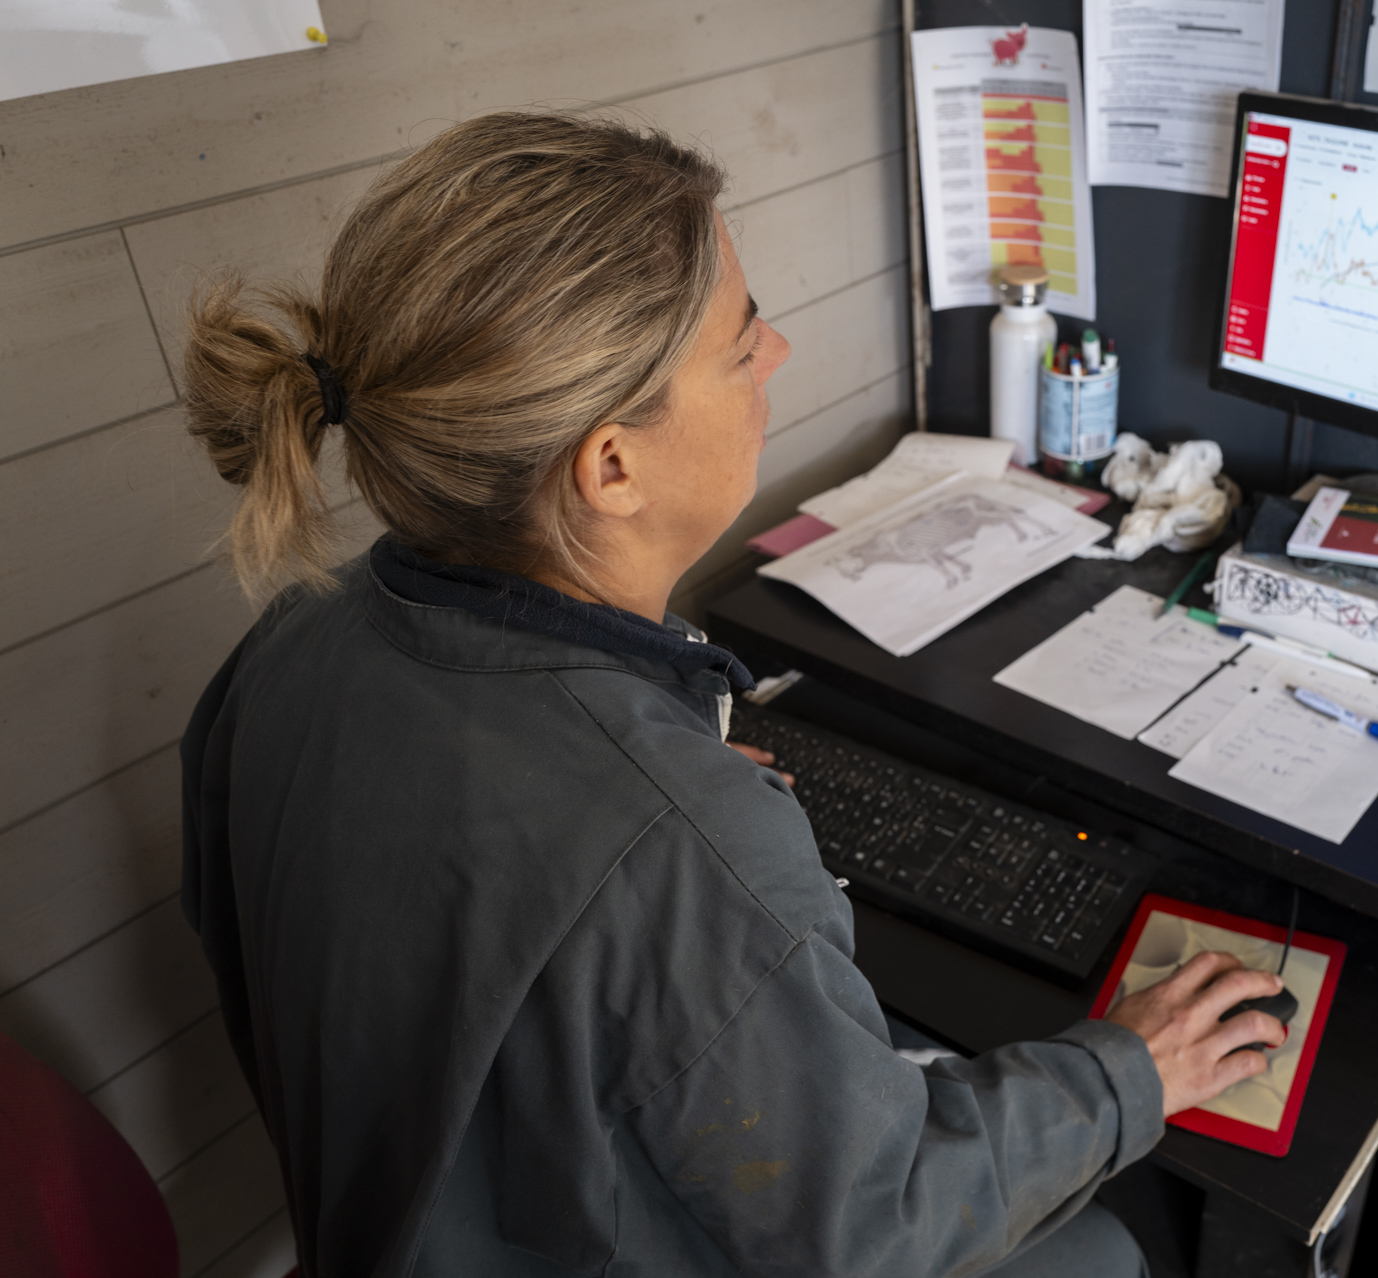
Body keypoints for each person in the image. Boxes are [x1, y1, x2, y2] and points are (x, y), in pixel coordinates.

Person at [178, 111, 1289, 1278]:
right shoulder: (684, 848)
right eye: (740, 340)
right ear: (612, 464)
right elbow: (875, 1228)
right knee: (1104, 1253)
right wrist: (1132, 1072)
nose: (779, 354)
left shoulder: (289, 643)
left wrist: (653, 798)